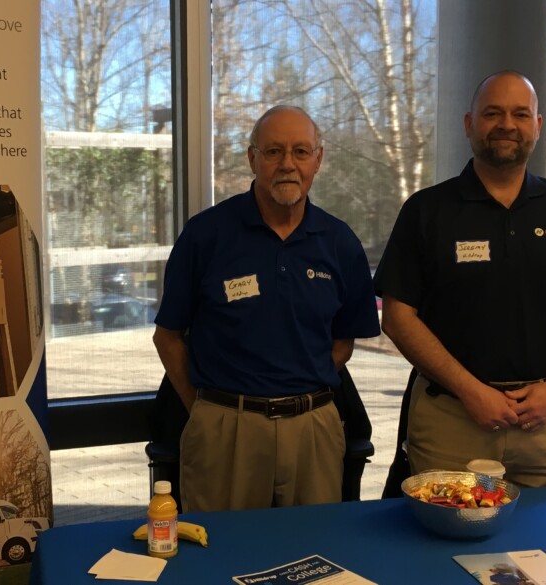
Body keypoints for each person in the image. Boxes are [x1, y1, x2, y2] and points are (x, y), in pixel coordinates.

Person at [374, 71, 546, 487]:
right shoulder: (427, 211)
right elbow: (398, 317)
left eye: (520, 113)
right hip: (452, 420)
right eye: (492, 113)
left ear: (538, 125)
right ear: (469, 124)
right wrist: (470, 390)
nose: (506, 125)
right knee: (442, 543)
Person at [153, 105, 381, 512]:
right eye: (274, 151)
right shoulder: (206, 235)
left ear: (319, 159)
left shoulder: (340, 242)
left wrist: (298, 389)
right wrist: (207, 413)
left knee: (314, 558)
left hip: (313, 428)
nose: (287, 164)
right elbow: (167, 337)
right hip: (225, 429)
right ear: (252, 158)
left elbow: (343, 343)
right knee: (220, 557)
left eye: (300, 151)